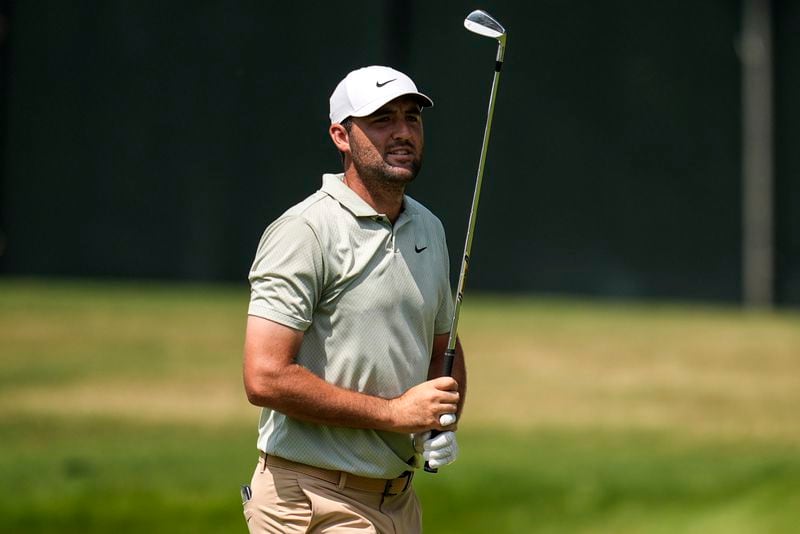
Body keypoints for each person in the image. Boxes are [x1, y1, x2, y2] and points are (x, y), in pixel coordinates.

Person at [241, 65, 467, 533]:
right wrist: (393, 414)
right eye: (383, 120)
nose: (403, 132)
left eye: (411, 117)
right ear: (341, 136)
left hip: (398, 502)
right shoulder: (305, 231)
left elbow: (443, 345)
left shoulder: (428, 228)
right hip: (311, 498)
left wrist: (442, 422)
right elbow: (264, 376)